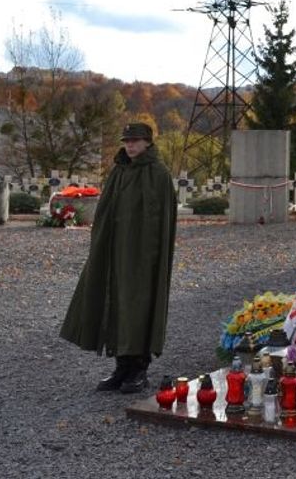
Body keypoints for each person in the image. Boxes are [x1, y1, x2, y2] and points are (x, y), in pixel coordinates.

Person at [60, 122, 178, 394]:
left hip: (143, 256)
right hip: (115, 252)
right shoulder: (119, 172)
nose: (130, 145)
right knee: (115, 303)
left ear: (148, 142)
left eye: (136, 141)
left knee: (139, 306)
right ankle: (121, 366)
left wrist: (150, 255)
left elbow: (162, 221)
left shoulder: (158, 174)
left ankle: (139, 368)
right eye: (127, 141)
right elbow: (106, 213)